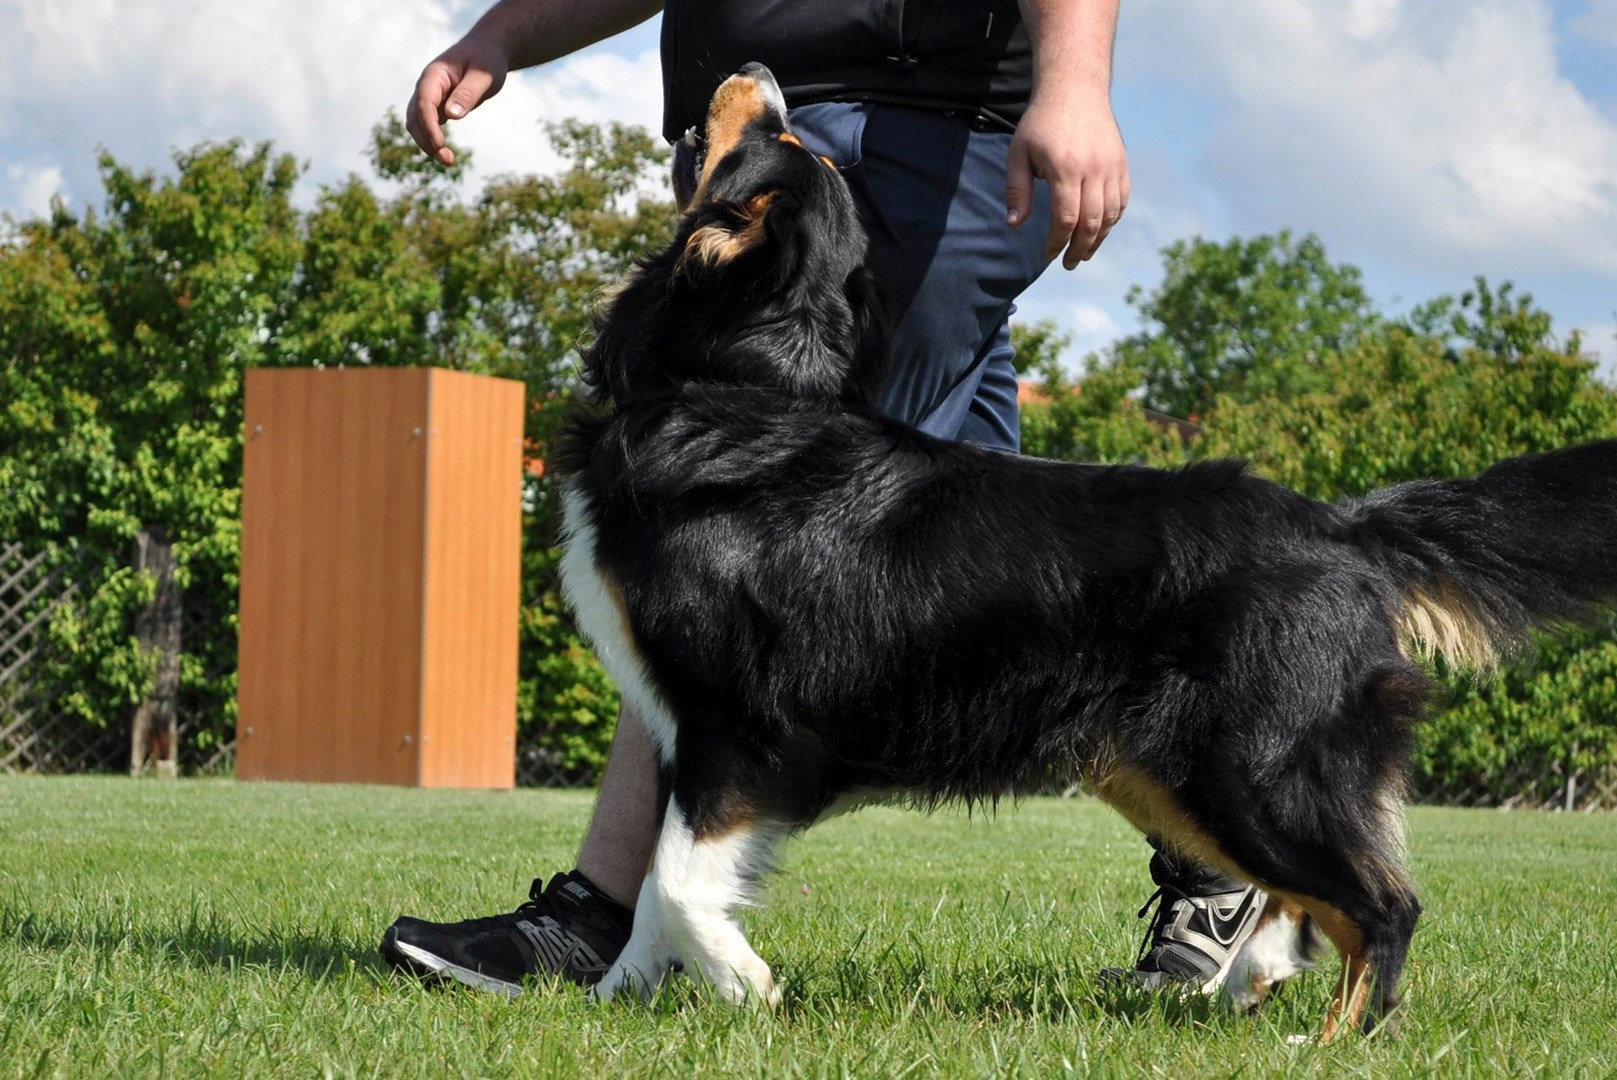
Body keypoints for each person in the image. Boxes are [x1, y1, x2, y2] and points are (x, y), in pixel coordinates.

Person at [382, 0, 1266, 999]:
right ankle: (1228, 854)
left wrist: (1076, 81)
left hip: (923, 129)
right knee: (995, 598)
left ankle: (608, 918)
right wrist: (501, 35)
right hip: (829, 137)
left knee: (715, 550)